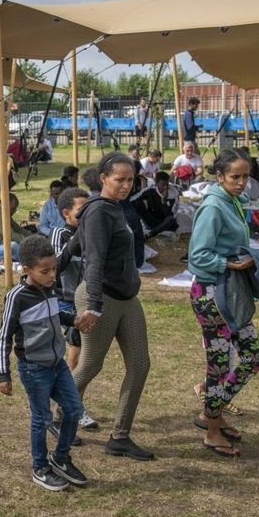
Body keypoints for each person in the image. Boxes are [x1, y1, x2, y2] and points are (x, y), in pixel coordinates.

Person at [69, 155, 154, 460]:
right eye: (120, 179)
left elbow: (73, 246)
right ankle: (53, 418)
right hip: (101, 298)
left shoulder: (114, 209)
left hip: (127, 299)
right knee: (90, 365)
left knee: (140, 365)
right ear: (103, 178)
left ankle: (120, 437)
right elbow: (92, 260)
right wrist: (92, 305)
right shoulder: (98, 212)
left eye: (131, 180)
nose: (126, 185)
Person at [187, 149, 259, 458]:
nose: (242, 182)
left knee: (252, 358)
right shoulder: (213, 207)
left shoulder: (233, 202)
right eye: (235, 177)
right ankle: (213, 431)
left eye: (246, 176)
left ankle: (211, 412)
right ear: (219, 177)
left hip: (231, 294)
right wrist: (231, 264)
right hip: (211, 295)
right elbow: (197, 256)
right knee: (219, 367)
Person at [0, 234, 87, 492]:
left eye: (54, 269)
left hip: (57, 364)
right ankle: (40, 468)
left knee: (73, 409)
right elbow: (3, 335)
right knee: (41, 418)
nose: (51, 275)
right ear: (27, 270)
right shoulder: (17, 297)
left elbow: (54, 314)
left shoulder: (50, 289)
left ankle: (60, 458)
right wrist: (3, 374)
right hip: (34, 368)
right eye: (45, 271)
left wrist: (74, 320)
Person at [51, 187, 98, 429]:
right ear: (66, 213)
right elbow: (55, 264)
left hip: (88, 299)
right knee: (76, 356)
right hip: (66, 300)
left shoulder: (93, 232)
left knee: (83, 356)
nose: (88, 214)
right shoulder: (60, 234)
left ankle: (73, 405)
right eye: (82, 209)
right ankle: (71, 408)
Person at [134, 171, 179, 238]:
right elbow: (134, 198)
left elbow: (171, 215)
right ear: (156, 183)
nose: (166, 187)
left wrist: (164, 202)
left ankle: (151, 234)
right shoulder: (150, 190)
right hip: (152, 220)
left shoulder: (174, 196)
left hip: (164, 224)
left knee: (171, 219)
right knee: (137, 203)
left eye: (167, 184)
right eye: (163, 185)